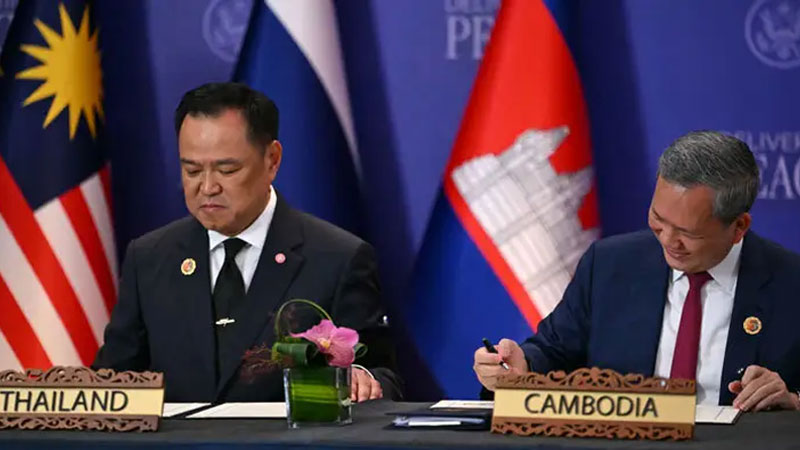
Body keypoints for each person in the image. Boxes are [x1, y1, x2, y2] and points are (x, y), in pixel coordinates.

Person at [94, 82, 401, 403]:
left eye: (227, 170)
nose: (207, 187)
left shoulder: (338, 258)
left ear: (272, 160)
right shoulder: (149, 258)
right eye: (192, 170)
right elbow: (110, 383)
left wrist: (363, 379)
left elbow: (383, 376)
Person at [474, 131, 800, 411]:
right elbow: (553, 351)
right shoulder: (609, 264)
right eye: (658, 219)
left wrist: (793, 400)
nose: (668, 241)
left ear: (738, 227)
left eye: (687, 232)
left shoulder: (791, 282)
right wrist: (520, 366)